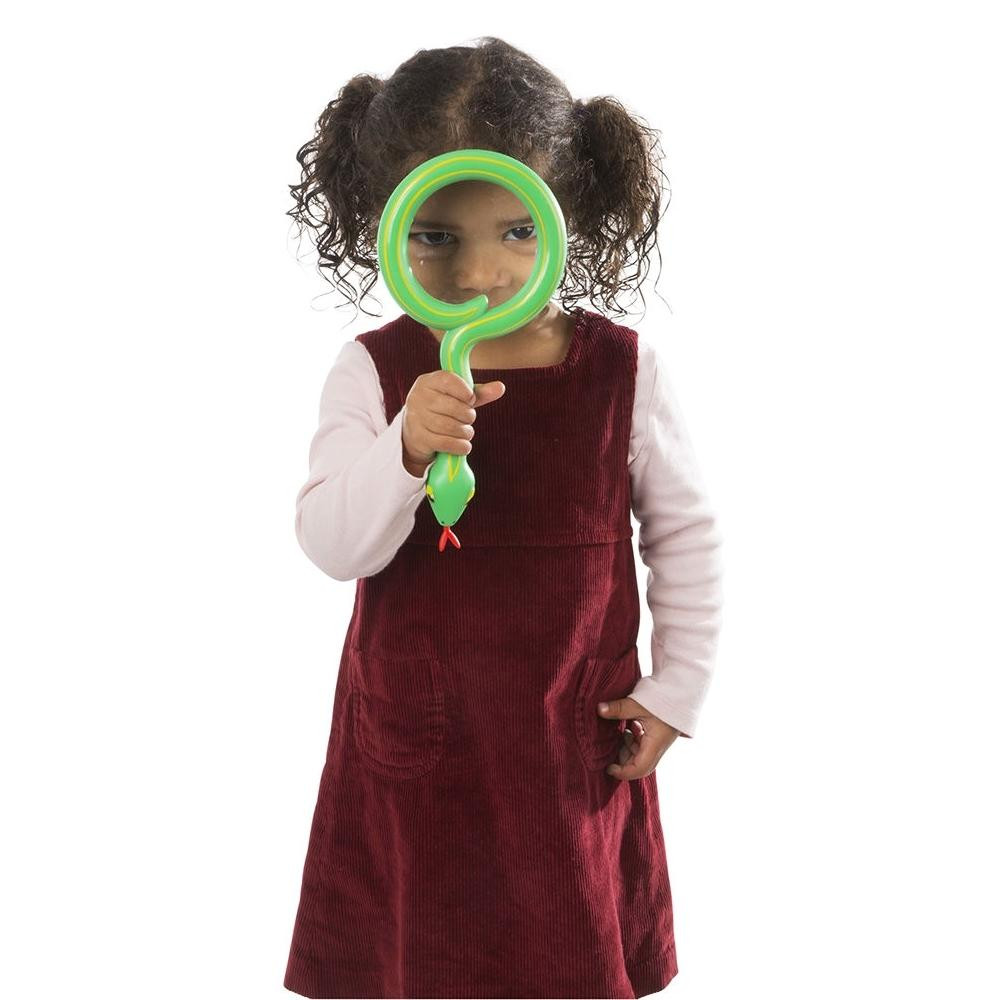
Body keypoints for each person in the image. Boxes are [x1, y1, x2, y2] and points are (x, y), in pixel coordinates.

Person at [282, 36, 724, 1000]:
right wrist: (404, 447)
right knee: (420, 953)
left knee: (567, 948)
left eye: (518, 231)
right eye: (437, 236)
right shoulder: (371, 370)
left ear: (572, 214)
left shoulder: (624, 371)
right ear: (383, 224)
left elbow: (684, 534)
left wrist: (677, 689)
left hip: (569, 735)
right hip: (416, 744)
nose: (481, 271)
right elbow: (332, 545)